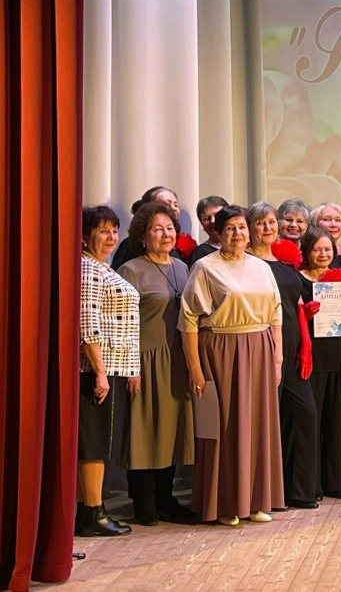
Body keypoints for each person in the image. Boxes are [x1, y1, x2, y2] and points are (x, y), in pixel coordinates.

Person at [180, 205, 284, 525]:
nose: (237, 233)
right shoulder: (205, 267)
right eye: (230, 228)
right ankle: (225, 504)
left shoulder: (261, 267)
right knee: (224, 428)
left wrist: (277, 357)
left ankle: (256, 501)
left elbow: (275, 313)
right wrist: (195, 369)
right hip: (221, 349)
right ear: (219, 232)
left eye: (241, 227)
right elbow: (188, 320)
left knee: (258, 426)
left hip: (260, 349)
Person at [117, 203, 196, 525]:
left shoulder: (182, 268)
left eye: (169, 228)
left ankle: (166, 498)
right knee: (145, 431)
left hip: (177, 360)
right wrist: (130, 367)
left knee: (173, 430)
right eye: (157, 229)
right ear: (143, 236)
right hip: (145, 360)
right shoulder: (131, 270)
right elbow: (122, 324)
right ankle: (144, 501)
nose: (165, 234)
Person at [248, 202, 320, 510]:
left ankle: (299, 491)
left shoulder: (284, 260)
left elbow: (297, 303)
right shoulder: (247, 262)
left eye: (271, 222)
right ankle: (265, 494)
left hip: (292, 346)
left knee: (305, 415)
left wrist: (306, 343)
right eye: (260, 222)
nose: (268, 227)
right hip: (262, 347)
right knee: (267, 422)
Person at [78, 206, 140, 537]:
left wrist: (131, 369)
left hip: (113, 366)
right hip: (95, 369)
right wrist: (99, 372)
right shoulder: (88, 268)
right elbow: (87, 324)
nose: (111, 237)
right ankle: (93, 512)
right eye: (103, 231)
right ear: (85, 236)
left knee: (99, 442)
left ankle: (86, 511)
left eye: (114, 230)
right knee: (94, 443)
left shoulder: (103, 267)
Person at [297, 228, 341, 499]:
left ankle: (335, 483)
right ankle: (312, 485)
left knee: (336, 424)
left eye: (327, 249)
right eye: (317, 249)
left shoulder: (340, 280)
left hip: (335, 357)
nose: (322, 254)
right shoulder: (298, 280)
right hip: (310, 360)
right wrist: (305, 316)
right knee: (312, 422)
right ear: (307, 252)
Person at [112, 186, 183, 270]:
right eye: (167, 205)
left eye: (176, 205)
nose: (174, 209)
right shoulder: (129, 250)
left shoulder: (180, 264)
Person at [190, 195, 228, 265]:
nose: (212, 221)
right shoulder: (200, 253)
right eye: (207, 218)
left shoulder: (241, 246)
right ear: (202, 224)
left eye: (216, 215)